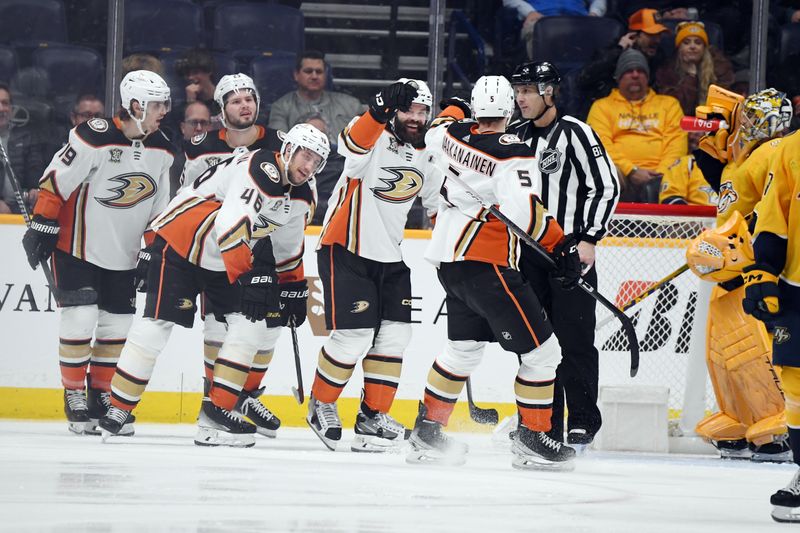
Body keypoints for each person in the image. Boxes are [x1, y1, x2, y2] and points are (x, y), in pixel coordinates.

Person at [98, 123, 330, 446]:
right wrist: (246, 276)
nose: (309, 166)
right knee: (154, 327)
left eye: (317, 161)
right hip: (182, 242)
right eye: (306, 155)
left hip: (224, 257)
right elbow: (229, 222)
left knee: (251, 328)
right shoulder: (260, 168)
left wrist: (291, 285)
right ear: (288, 149)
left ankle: (216, 412)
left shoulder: (305, 193)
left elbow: (287, 245)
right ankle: (118, 408)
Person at [406, 75, 581, 470]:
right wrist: (560, 244)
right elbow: (524, 210)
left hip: (450, 263)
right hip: (486, 261)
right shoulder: (514, 152)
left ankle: (427, 432)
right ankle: (533, 438)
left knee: (462, 351)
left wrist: (452, 107)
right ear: (508, 110)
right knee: (543, 352)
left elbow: (435, 129)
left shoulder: (449, 134)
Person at [20, 70, 174, 436]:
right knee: (80, 317)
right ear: (136, 105)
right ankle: (74, 393)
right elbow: (55, 179)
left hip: (123, 253)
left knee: (117, 325)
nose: (164, 111)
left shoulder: (163, 148)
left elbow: (161, 209)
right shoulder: (93, 135)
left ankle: (100, 395)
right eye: (157, 104)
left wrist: (152, 250)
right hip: (75, 247)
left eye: (165, 104)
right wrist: (42, 221)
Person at [307, 78, 439, 452]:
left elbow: (435, 204)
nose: (415, 118)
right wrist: (379, 109)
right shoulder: (372, 136)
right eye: (408, 110)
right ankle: (322, 404)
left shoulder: (428, 151)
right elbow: (349, 144)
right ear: (394, 112)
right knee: (354, 337)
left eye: (421, 111)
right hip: (347, 248)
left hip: (391, 257)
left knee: (396, 338)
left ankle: (371, 418)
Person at [507, 61, 620, 450]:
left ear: (548, 92)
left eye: (527, 90)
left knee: (574, 339)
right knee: (536, 343)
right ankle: (543, 423)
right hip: (526, 254)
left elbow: (605, 187)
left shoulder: (576, 132)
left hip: (569, 252)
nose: (520, 98)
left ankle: (583, 421)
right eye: (517, 90)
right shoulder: (514, 135)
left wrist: (589, 238)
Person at [686, 87, 794, 462]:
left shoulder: (772, 151)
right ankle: (739, 414)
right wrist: (707, 153)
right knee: (723, 353)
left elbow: (771, 207)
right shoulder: (740, 159)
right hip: (726, 271)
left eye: (750, 116)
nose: (741, 122)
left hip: (750, 267)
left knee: (754, 348)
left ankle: (774, 421)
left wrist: (737, 243)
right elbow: (732, 197)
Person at [178, 73, 286, 435]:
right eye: (236, 100)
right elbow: (186, 194)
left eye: (250, 98)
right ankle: (216, 402)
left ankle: (246, 395)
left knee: (265, 326)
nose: (245, 105)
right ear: (222, 109)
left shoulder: (279, 143)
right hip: (214, 247)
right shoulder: (201, 145)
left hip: (263, 246)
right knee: (218, 326)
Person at [743, 129, 800, 522]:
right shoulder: (793, 148)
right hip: (798, 286)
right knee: (796, 386)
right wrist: (762, 269)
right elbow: (774, 219)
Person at [587, 48, 687, 202]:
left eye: (640, 71)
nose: (635, 75)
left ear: (647, 77)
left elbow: (677, 143)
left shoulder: (669, 104)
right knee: (601, 171)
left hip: (663, 175)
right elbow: (600, 145)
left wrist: (659, 175)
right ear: (619, 77)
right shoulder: (602, 106)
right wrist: (631, 171)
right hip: (621, 174)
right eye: (629, 71)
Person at [577, 8, 670, 117]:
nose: (657, 40)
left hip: (646, 115)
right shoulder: (611, 53)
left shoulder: (659, 55)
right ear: (633, 36)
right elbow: (583, 79)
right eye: (651, 35)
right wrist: (618, 51)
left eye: (659, 35)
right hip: (609, 114)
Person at [268, 50, 365, 145]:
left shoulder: (351, 104)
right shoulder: (281, 107)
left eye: (319, 72)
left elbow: (365, 142)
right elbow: (278, 144)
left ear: (325, 75)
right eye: (308, 71)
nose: (314, 76)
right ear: (296, 75)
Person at [655, 21, 734, 115]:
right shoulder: (667, 71)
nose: (692, 46)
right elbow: (673, 109)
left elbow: (724, 106)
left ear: (704, 48)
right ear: (679, 48)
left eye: (698, 42)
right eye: (686, 43)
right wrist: (691, 77)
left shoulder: (720, 67)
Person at [0, 83, 50, 214]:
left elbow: (36, 172)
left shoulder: (27, 137)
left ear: (11, 108)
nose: (1, 108)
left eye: (5, 103)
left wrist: (36, 190)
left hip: (22, 210)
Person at [502, 0, 607, 59]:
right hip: (540, 18)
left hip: (579, 19)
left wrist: (594, 13)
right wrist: (529, 12)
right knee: (535, 31)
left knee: (604, 34)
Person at [658, 132, 718, 205]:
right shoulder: (685, 163)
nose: (694, 135)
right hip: (694, 215)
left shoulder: (732, 168)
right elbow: (670, 198)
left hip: (730, 215)